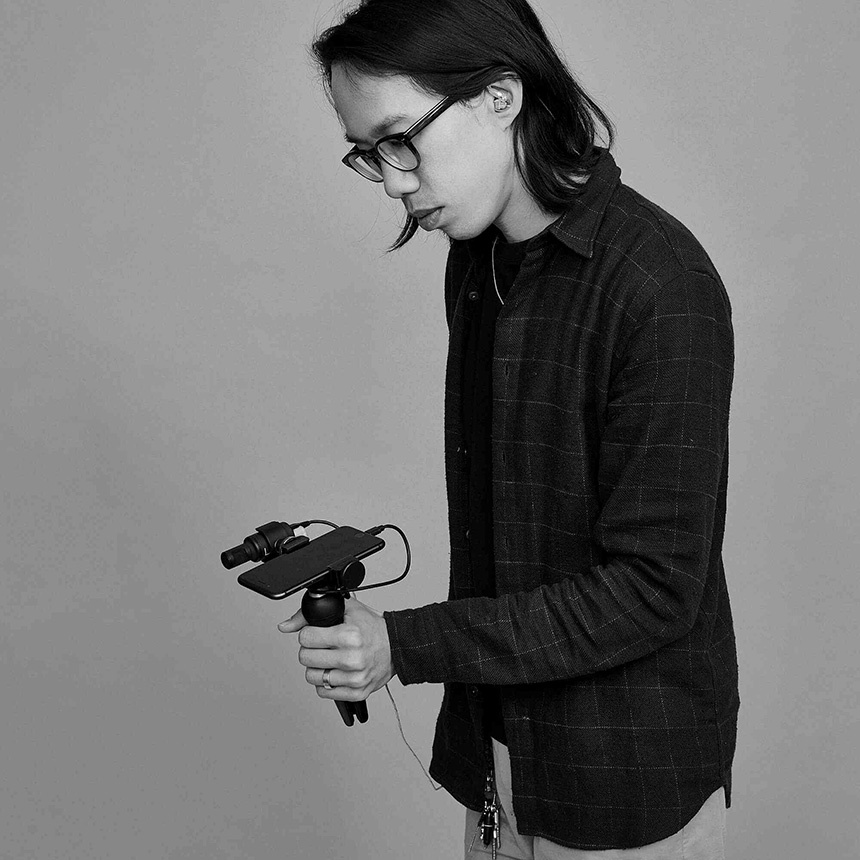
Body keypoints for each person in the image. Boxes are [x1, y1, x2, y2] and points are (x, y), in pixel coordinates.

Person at [278, 1, 739, 856]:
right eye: (368, 153)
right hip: (498, 755)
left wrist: (403, 645)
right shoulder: (476, 260)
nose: (392, 181)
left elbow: (653, 589)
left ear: (500, 96)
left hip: (622, 786)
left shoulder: (661, 285)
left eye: (400, 140)